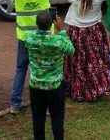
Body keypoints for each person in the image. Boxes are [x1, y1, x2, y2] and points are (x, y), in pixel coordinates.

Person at [0, 0, 63, 113]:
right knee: (45, 70)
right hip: (45, 39)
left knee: (21, 69)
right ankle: (47, 107)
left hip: (25, 40)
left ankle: (15, 104)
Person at [63, 0, 110, 102]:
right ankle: (97, 87)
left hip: (77, 33)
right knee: (94, 61)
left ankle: (78, 90)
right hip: (94, 32)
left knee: (78, 62)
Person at [25, 11, 76, 140]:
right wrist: (62, 30)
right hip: (55, 86)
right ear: (51, 24)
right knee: (57, 118)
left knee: (38, 118)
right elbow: (71, 50)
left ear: (36, 24)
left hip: (36, 85)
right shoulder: (58, 41)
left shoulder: (29, 38)